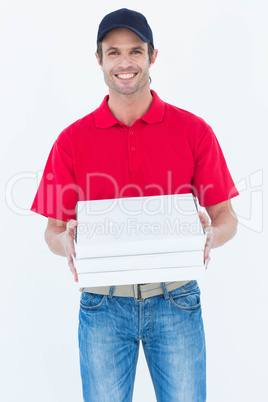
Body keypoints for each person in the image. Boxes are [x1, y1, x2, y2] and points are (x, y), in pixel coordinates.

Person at [31, 8, 239, 402]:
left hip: (176, 300)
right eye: (113, 53)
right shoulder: (71, 140)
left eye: (135, 51)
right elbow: (53, 230)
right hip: (102, 304)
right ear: (99, 59)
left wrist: (213, 233)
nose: (125, 63)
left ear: (152, 56)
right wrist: (67, 241)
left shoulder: (194, 131)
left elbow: (226, 217)